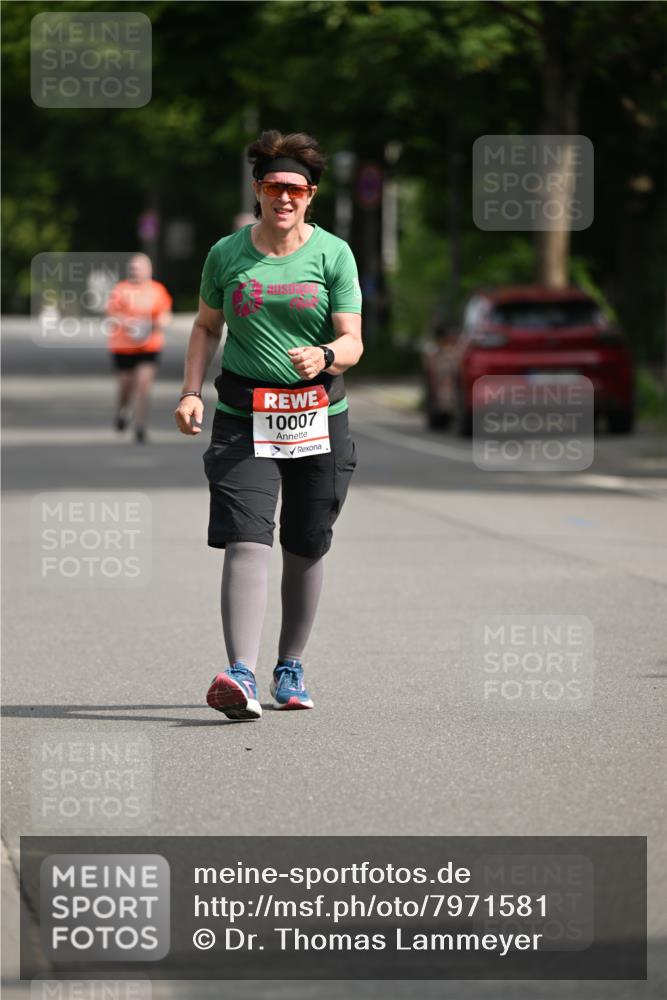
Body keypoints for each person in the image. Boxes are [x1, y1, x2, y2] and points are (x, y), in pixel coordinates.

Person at [174, 129, 363, 721]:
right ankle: (240, 674)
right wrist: (189, 391)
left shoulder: (333, 254)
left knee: (306, 542)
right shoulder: (227, 254)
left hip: (317, 415)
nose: (286, 198)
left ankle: (290, 664)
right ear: (259, 190)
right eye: (275, 186)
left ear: (311, 196)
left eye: (297, 189)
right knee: (246, 535)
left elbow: (354, 339)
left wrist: (327, 355)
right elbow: (206, 326)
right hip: (243, 414)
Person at [107, 253, 173, 443]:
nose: (137, 272)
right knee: (125, 385)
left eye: (140, 268)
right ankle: (123, 410)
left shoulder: (157, 290)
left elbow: (165, 314)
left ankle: (140, 426)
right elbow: (112, 314)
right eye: (133, 268)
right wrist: (128, 323)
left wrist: (158, 323)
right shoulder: (121, 289)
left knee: (144, 385)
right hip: (124, 346)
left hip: (149, 346)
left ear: (149, 270)